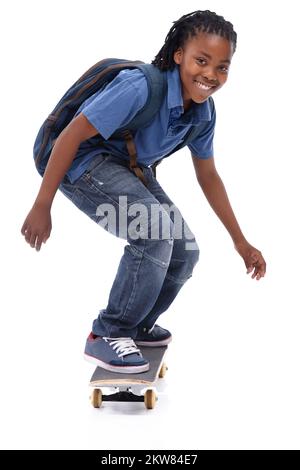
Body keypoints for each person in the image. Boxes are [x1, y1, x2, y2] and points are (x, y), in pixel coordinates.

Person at [21, 10, 266, 374]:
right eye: (202, 60)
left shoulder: (203, 114)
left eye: (222, 67)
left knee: (184, 251)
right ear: (178, 54)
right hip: (80, 163)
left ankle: (136, 326)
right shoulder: (140, 87)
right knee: (155, 234)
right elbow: (71, 135)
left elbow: (209, 175)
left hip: (126, 165)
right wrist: (43, 203)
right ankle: (107, 333)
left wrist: (240, 241)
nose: (211, 76)